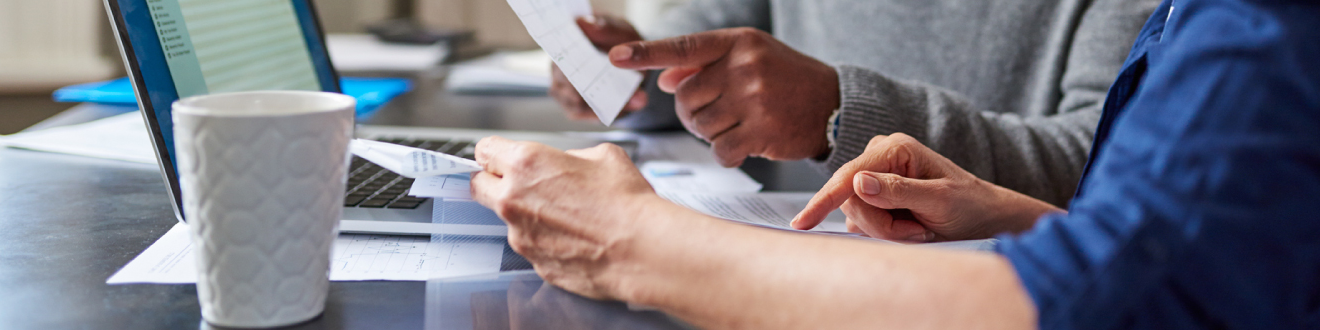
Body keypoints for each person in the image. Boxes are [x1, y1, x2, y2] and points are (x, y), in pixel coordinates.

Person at [470, 0, 1320, 328]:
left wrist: (636, 243)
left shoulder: (1262, 35)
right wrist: (1014, 212)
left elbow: (1110, 295)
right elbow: (1203, 248)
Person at [550, 0, 1158, 206]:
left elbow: (1107, 158)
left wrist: (841, 112)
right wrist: (633, 76)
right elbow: (719, 32)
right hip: (768, 265)